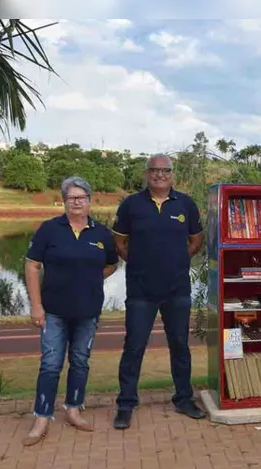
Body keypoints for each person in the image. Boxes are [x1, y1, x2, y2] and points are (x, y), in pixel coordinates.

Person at [22, 176, 119, 446]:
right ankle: (42, 417)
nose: (77, 202)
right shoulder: (49, 230)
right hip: (53, 311)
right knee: (51, 365)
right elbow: (32, 265)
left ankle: (73, 409)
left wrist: (87, 279)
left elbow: (111, 265)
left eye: (81, 197)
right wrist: (36, 305)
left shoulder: (101, 234)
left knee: (80, 362)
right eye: (71, 198)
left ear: (89, 200)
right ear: (64, 201)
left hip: (87, 312)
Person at [111, 153, 205, 429]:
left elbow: (196, 240)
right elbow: (119, 242)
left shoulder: (186, 204)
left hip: (177, 289)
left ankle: (184, 399)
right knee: (134, 347)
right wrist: (141, 262)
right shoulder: (131, 204)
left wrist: (177, 260)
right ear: (146, 174)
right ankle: (126, 404)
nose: (159, 174)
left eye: (165, 170)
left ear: (172, 174)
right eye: (154, 170)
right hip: (141, 290)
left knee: (179, 346)